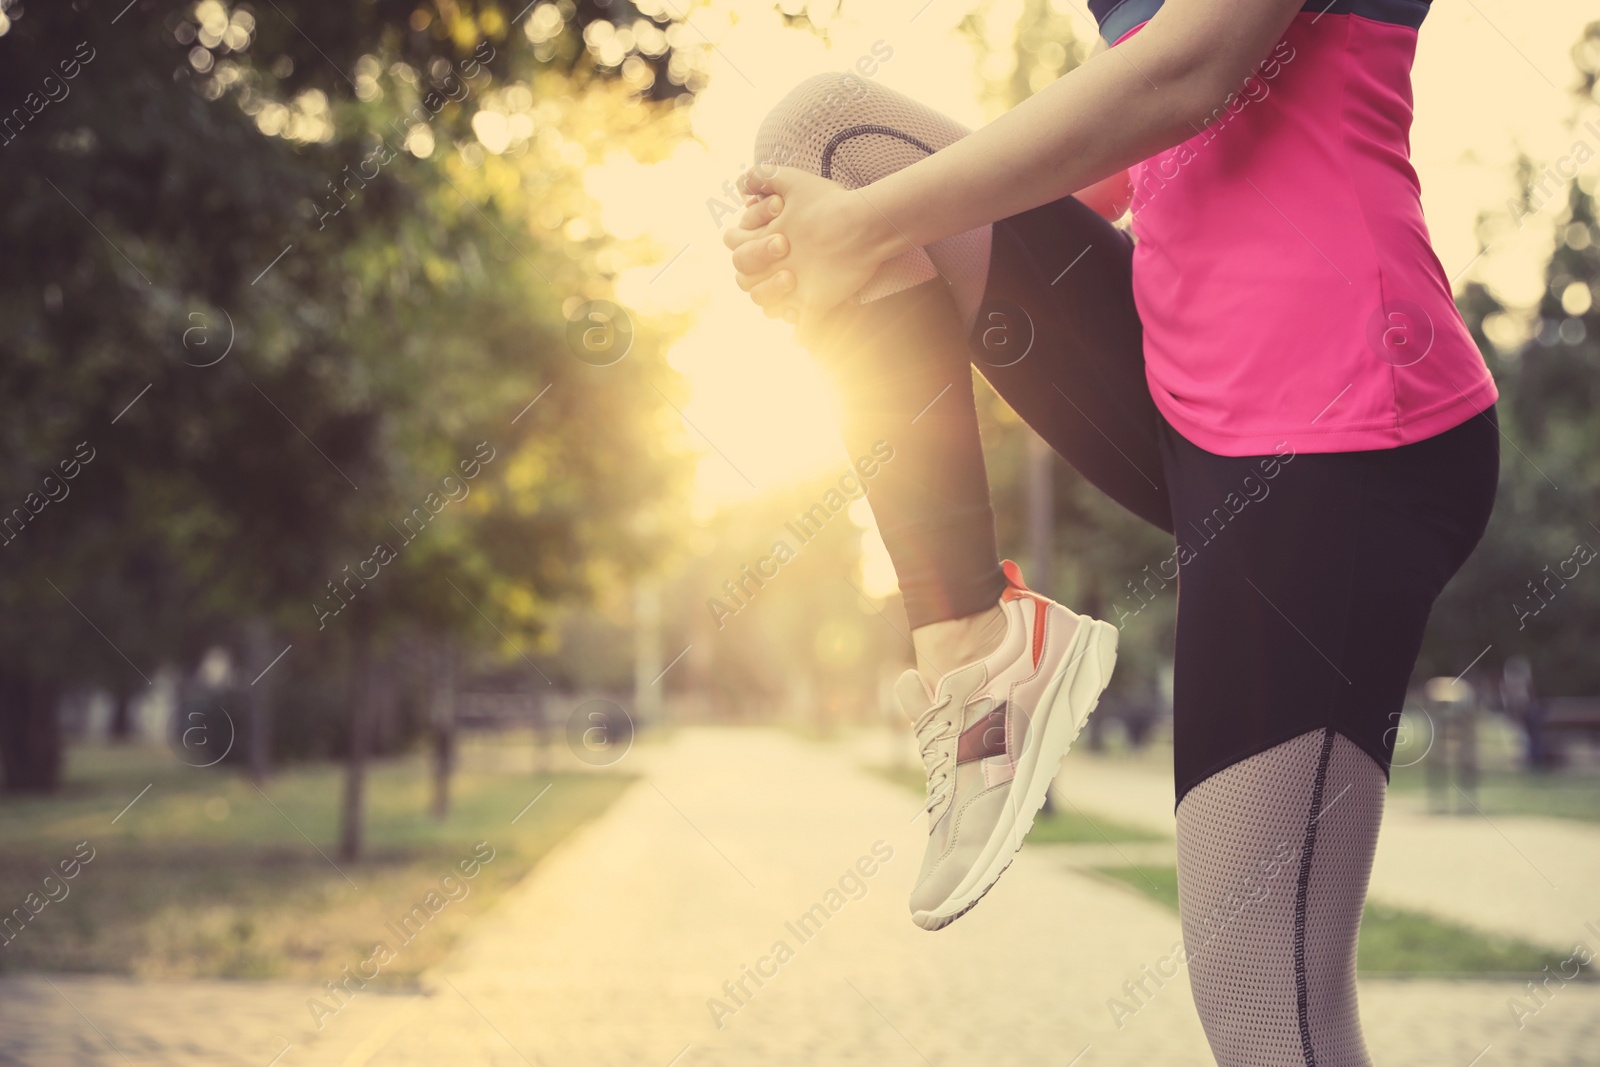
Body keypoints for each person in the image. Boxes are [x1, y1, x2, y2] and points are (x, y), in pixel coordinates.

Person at [723, 0, 1500, 1063]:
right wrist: (832, 242)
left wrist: (863, 230)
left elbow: (1188, 73)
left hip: (1337, 419)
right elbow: (1133, 140)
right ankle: (977, 649)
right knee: (827, 143)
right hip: (1181, 381)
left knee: (1266, 1006)